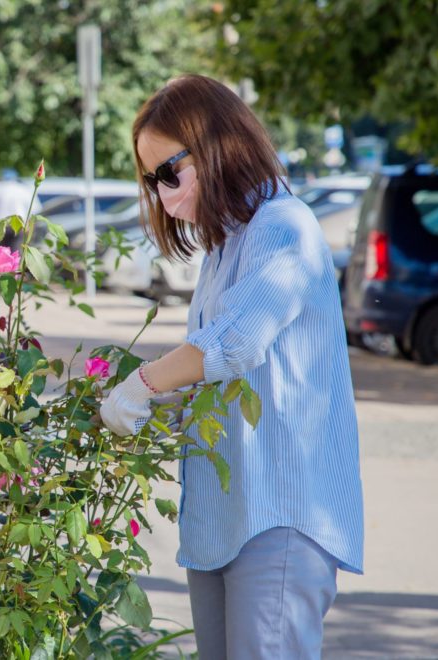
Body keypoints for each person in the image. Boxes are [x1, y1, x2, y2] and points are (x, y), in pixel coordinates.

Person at [99, 74, 363, 659]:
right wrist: (155, 408)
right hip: (226, 520)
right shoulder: (227, 245)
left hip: (280, 516)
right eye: (151, 180)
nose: (164, 195)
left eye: (170, 172)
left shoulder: (283, 227)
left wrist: (140, 385)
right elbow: (220, 375)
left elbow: (237, 343)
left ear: (216, 143)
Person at [0, 168, 38, 259]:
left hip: (1, 226)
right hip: (19, 226)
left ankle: (2, 272)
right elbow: (33, 212)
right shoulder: (24, 189)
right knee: (16, 256)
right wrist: (29, 232)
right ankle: (14, 272)